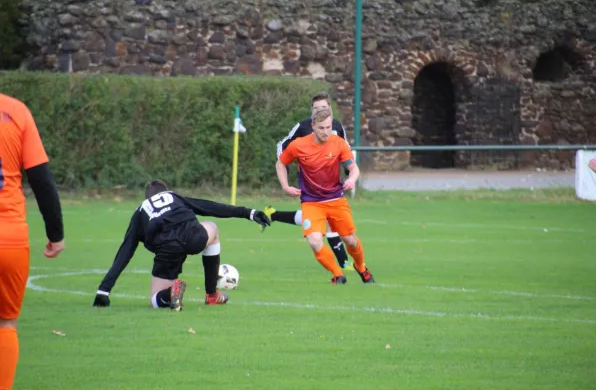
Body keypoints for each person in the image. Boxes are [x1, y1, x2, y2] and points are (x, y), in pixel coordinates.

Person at [92, 179, 271, 310]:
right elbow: (209, 207)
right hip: (193, 236)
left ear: (147, 197)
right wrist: (249, 213)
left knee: (155, 301)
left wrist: (103, 291)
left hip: (167, 249)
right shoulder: (173, 197)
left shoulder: (139, 213)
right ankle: (212, 295)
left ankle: (170, 294)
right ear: (165, 191)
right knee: (213, 228)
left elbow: (125, 251)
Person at [0, 93, 65, 390]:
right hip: (10, 238)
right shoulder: (15, 111)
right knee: (6, 324)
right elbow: (42, 180)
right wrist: (56, 235)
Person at [275, 106, 374, 285]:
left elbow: (353, 167)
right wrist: (285, 186)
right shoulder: (298, 145)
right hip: (311, 203)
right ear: (313, 126)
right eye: (321, 128)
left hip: (336, 199)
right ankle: (338, 275)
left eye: (328, 127)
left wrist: (352, 179)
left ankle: (361, 268)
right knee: (314, 241)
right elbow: (281, 163)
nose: (326, 132)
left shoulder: (339, 143)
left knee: (350, 241)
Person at [269, 91, 352, 271]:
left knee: (326, 222)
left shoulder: (337, 126)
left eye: (323, 107)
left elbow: (346, 149)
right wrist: (286, 169)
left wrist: (349, 171)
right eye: (316, 108)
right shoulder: (303, 127)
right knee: (325, 224)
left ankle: (274, 214)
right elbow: (282, 146)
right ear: (311, 113)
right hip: (310, 187)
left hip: (333, 186)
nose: (319, 111)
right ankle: (344, 264)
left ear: (329, 108)